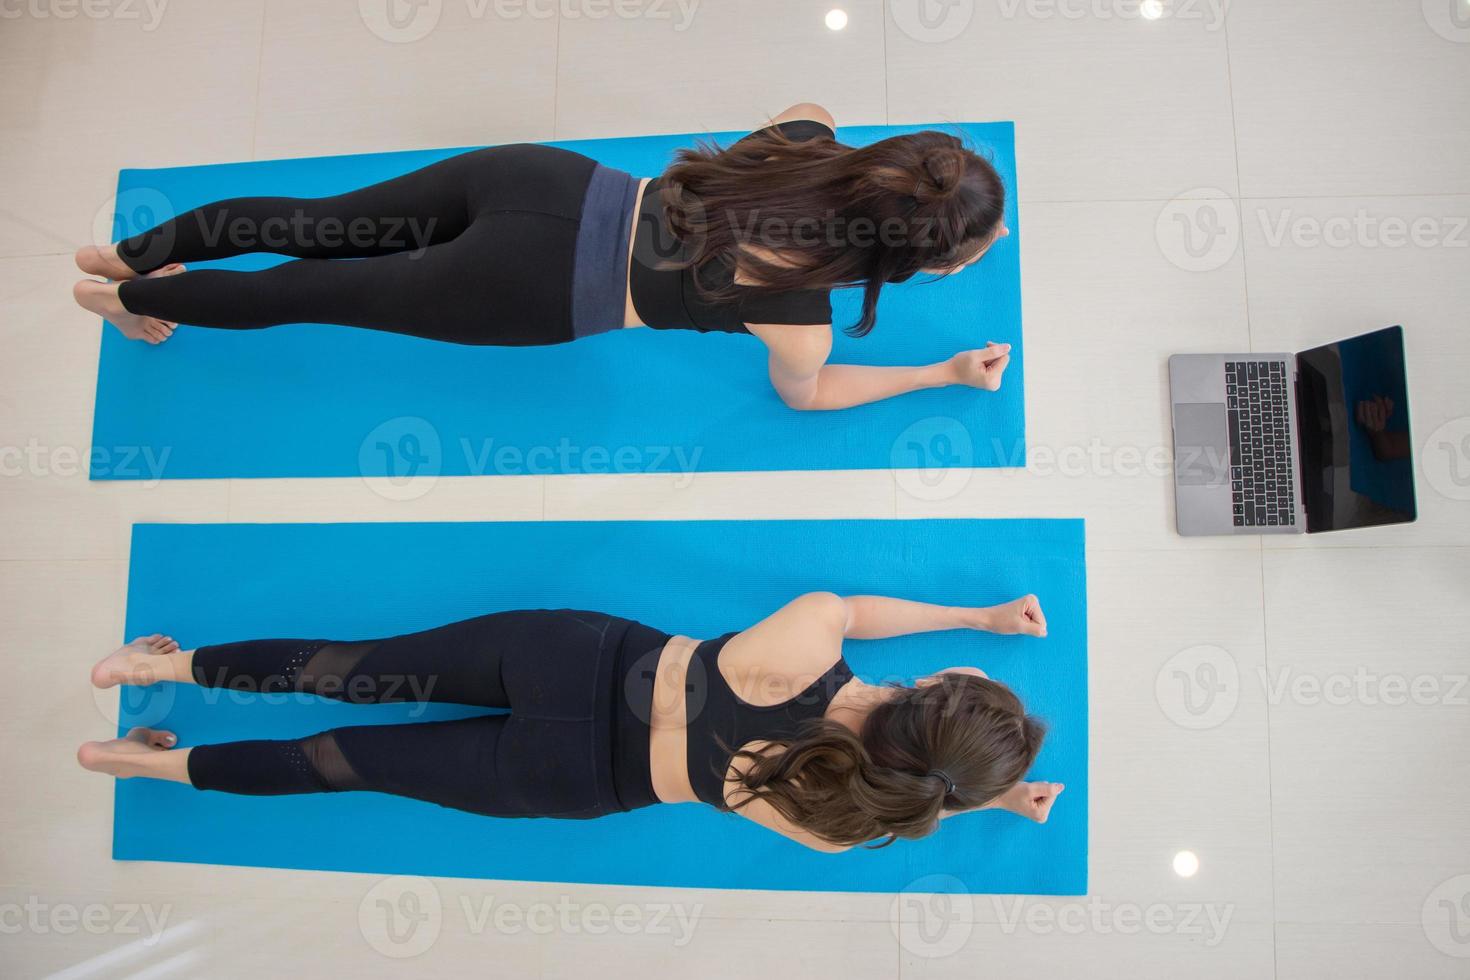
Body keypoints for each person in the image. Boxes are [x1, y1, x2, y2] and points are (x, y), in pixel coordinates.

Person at [73, 104, 1013, 411]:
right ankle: (117, 301)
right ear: (910, 258)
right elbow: (804, 395)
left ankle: (121, 254)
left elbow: (817, 119)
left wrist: (884, 184)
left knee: (315, 223)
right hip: (525, 288)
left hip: (544, 186)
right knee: (310, 293)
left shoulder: (805, 139)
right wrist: (940, 371)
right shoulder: (800, 314)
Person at [80, 592, 1063, 851]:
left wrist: (973, 619)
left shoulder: (809, 632)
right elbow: (913, 796)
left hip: (567, 660)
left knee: (351, 669)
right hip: (558, 773)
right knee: (336, 760)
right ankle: (140, 765)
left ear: (941, 683)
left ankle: (155, 663)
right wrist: (993, 796)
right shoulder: (842, 822)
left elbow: (862, 615)